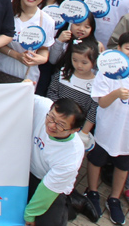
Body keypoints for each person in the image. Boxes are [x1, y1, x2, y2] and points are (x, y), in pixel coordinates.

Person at [85, 32, 129, 226]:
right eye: (128, 48)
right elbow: (101, 103)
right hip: (105, 133)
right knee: (95, 161)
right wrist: (116, 93)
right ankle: (92, 191)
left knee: (123, 166)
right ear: (118, 50)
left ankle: (114, 198)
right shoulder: (106, 74)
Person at [27, 96, 87, 226]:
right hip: (26, 171)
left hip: (50, 187)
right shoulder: (43, 106)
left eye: (61, 125)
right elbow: (20, 95)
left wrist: (30, 214)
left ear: (75, 130)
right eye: (51, 117)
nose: (51, 125)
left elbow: (47, 190)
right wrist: (25, 85)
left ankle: (69, 206)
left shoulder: (72, 154)